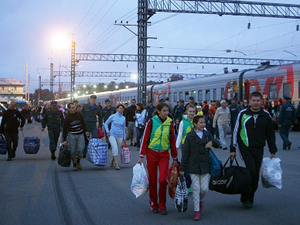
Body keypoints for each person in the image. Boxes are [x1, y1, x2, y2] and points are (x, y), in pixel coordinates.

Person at [230, 91, 277, 208]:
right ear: (249, 101)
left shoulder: (266, 115)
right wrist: (233, 148)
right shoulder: (242, 114)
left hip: (258, 148)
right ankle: (246, 197)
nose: (256, 103)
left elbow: (270, 134)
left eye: (258, 101)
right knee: (251, 170)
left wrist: (273, 150)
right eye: (253, 101)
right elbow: (235, 131)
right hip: (245, 147)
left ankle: (249, 197)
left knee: (255, 174)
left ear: (262, 101)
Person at [137, 103, 178, 215]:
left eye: (167, 110)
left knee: (163, 180)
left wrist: (175, 157)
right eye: (164, 111)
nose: (166, 113)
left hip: (164, 154)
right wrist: (141, 156)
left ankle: (162, 204)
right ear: (158, 111)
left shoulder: (170, 123)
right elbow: (145, 138)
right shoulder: (151, 122)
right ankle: (154, 203)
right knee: (153, 180)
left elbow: (172, 141)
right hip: (152, 153)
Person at [180, 115, 220, 221]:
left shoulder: (207, 134)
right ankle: (196, 211)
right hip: (193, 165)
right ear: (195, 124)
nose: (203, 124)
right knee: (196, 188)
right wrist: (182, 168)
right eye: (201, 122)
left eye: (204, 122)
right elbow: (185, 153)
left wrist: (212, 142)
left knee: (204, 189)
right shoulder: (190, 136)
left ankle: (199, 201)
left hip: (205, 165)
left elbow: (218, 144)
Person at [62, 103, 89, 171]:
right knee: (72, 150)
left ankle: (78, 161)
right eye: (72, 108)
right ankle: (74, 164)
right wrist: (64, 140)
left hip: (80, 134)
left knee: (81, 149)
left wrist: (86, 131)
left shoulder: (79, 114)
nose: (74, 109)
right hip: (72, 135)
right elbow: (65, 129)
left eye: (74, 107)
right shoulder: (67, 118)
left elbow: (83, 123)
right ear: (69, 109)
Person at [176, 104, 196, 193]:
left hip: (196, 145)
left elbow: (204, 131)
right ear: (187, 112)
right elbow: (180, 134)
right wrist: (177, 146)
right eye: (190, 111)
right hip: (185, 145)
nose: (191, 113)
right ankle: (187, 185)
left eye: (193, 112)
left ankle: (193, 183)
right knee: (187, 166)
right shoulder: (183, 122)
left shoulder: (197, 120)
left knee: (194, 165)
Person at [104, 104, 126, 170]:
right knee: (115, 148)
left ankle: (112, 160)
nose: (121, 109)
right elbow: (106, 123)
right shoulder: (112, 116)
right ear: (117, 109)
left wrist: (124, 137)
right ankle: (116, 164)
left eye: (122, 108)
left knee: (117, 149)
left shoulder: (123, 118)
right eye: (120, 108)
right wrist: (107, 131)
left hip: (120, 135)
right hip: (112, 135)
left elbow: (123, 128)